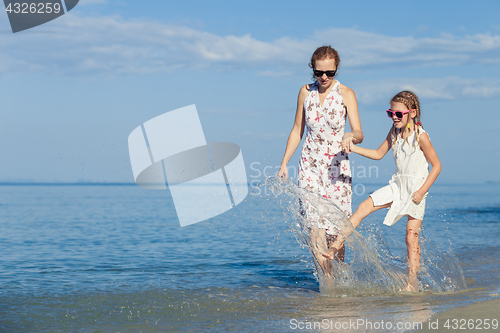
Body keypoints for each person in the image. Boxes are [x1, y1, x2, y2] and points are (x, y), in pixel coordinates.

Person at [324, 90, 442, 292]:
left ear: (412, 113)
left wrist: (422, 191)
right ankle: (335, 245)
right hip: (397, 186)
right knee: (363, 207)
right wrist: (353, 148)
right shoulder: (394, 132)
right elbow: (379, 154)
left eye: (398, 114)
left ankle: (411, 283)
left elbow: (437, 166)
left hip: (416, 190)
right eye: (391, 113)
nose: (394, 118)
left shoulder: (421, 137)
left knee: (411, 235)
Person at [278, 46, 363, 277]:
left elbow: (359, 132)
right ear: (312, 69)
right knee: (315, 229)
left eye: (330, 73)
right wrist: (285, 161)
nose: (324, 77)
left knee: (336, 233)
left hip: (338, 169)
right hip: (309, 168)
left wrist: (350, 136)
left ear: (336, 69)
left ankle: (340, 277)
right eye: (319, 73)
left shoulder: (347, 93)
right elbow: (297, 130)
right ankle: (328, 284)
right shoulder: (305, 92)